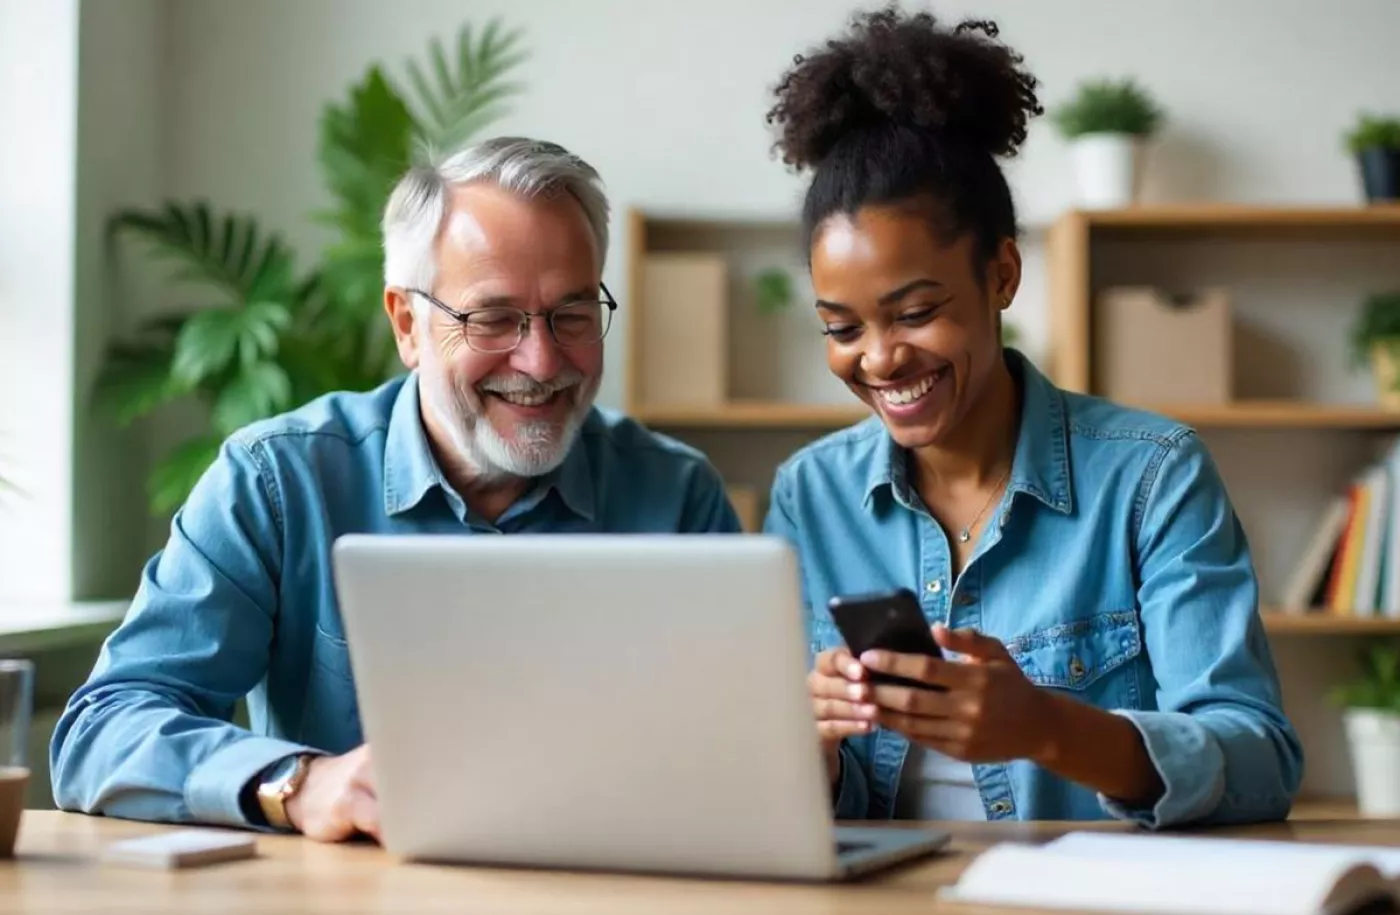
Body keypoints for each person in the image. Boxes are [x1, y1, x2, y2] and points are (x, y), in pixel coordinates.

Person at [50, 137, 742, 842]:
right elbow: (102, 729)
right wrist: (299, 782)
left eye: (571, 314)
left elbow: (745, 752)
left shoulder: (677, 494)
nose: (540, 361)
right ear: (408, 324)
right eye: (493, 318)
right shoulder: (278, 482)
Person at [761, 8, 1302, 827]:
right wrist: (811, 742)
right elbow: (819, 803)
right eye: (842, 327)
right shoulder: (811, 495)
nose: (878, 359)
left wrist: (1049, 728)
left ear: (1002, 274)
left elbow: (1259, 758)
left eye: (915, 312)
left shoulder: (1152, 474)